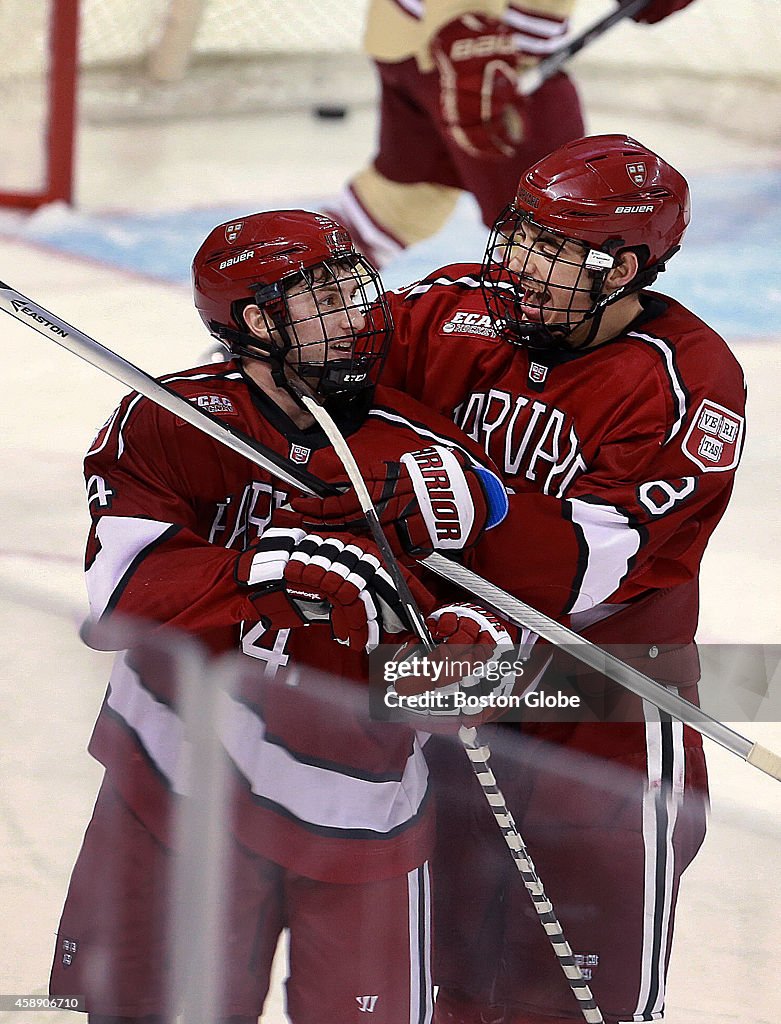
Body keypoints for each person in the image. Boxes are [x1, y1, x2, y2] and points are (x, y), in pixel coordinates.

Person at [293, 134, 747, 1023]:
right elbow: (321, 395)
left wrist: (472, 496)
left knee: (578, 1003)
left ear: (622, 267)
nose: (522, 264)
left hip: (600, 704)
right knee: (436, 986)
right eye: (523, 236)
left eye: (555, 249)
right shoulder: (450, 308)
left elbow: (601, 559)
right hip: (438, 682)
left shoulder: (687, 380)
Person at [48, 209, 517, 1024]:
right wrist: (269, 569)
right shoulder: (167, 421)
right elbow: (122, 594)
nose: (358, 315)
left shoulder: (424, 454)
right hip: (171, 793)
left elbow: (469, 627)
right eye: (324, 297)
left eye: (354, 289)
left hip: (357, 813)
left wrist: (468, 656)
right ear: (257, 323)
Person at [325, 0, 697, 267]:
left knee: (406, 198)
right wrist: (465, 32)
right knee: (561, 221)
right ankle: (554, 353)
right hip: (486, 59)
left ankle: (304, 286)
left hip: (414, 42)